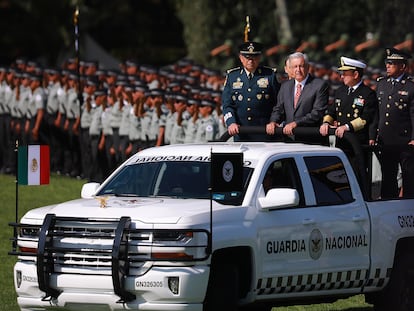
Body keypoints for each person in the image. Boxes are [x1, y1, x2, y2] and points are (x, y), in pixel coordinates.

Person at [319, 56, 378, 192]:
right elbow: (332, 110)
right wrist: (326, 123)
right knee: (340, 177)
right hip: (342, 143)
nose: (342, 77)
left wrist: (346, 127)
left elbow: (366, 118)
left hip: (357, 143)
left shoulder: (367, 93)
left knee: (358, 177)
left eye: (345, 74)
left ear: (356, 74)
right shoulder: (341, 91)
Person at [222, 41, 280, 141]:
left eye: (254, 57)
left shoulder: (270, 75)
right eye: (247, 58)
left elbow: (278, 103)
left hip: (265, 132)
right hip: (240, 132)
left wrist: (273, 121)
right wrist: (231, 122)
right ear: (241, 58)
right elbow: (227, 105)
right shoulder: (232, 76)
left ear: (260, 58)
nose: (251, 61)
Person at [375, 48, 414, 199]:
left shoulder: (410, 86)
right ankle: (389, 206)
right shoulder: (382, 84)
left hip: (405, 141)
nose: (387, 66)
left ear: (402, 66)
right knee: (388, 177)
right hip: (386, 139)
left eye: (391, 63)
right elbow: (378, 113)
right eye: (387, 62)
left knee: (409, 177)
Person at [266, 52, 329, 141]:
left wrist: (296, 123)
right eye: (295, 67)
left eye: (301, 66)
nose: (298, 70)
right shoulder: (285, 86)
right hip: (289, 139)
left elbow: (317, 112)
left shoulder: (319, 85)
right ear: (290, 69)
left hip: (310, 138)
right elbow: (278, 109)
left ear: (307, 67)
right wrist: (273, 122)